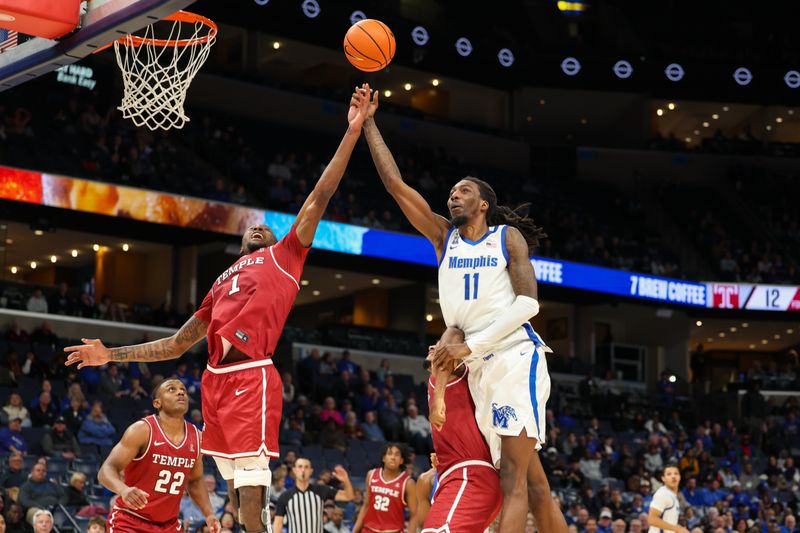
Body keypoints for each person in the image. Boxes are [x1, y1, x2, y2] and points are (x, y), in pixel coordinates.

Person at [66, 86, 373, 533]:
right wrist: (111, 354)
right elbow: (175, 344)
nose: (259, 227)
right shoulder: (219, 282)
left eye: (266, 227)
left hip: (251, 374)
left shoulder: (285, 257)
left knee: (252, 493)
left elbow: (320, 194)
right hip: (214, 384)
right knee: (234, 491)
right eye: (253, 227)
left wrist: (352, 131)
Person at [361, 88, 564, 533]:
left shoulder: (505, 237)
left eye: (464, 191)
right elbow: (396, 186)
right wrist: (368, 124)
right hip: (475, 367)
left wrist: (472, 346)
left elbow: (529, 304)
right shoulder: (442, 238)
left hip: (512, 358)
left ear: (483, 204)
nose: (453, 196)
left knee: (513, 479)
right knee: (533, 484)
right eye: (451, 192)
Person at [99, 379, 221, 533]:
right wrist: (123, 490)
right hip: (129, 521)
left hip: (168, 525)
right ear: (157, 403)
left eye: (183, 389)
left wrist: (209, 514)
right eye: (171, 389)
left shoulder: (197, 437)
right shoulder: (142, 430)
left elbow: (195, 480)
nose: (180, 392)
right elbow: (106, 470)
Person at [417, 326, 503, 532]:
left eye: (438, 344)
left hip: (470, 475)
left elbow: (455, 332)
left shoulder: (458, 371)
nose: (433, 346)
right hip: (453, 474)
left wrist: (452, 347)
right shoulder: (435, 381)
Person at [272, 458, 353, 533]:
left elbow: (348, 496)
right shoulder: (285, 496)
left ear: (311, 471)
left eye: (306, 467)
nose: (303, 470)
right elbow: (277, 525)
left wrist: (345, 480)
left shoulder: (321, 490)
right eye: (300, 467)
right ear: (294, 470)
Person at [352, 443, 418, 533]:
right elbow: (366, 505)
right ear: (383, 458)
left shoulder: (408, 483)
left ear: (401, 460)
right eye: (389, 453)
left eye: (397, 455)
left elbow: (414, 514)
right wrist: (354, 531)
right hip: (369, 530)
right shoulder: (371, 475)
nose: (393, 457)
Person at [647, 465, 689, 533]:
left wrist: (679, 528)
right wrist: (678, 529)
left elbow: (667, 521)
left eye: (676, 473)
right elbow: (652, 519)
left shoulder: (672, 496)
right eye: (669, 474)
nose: (673, 476)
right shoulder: (663, 494)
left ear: (679, 477)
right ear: (663, 478)